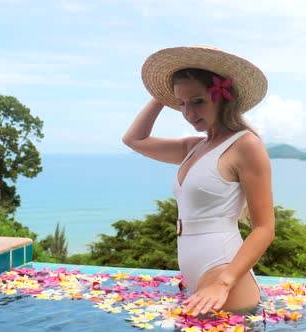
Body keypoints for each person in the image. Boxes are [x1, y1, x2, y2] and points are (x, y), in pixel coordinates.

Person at [122, 46, 275, 316]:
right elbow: (134, 140)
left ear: (224, 98)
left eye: (198, 101)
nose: (188, 113)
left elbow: (264, 228)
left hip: (223, 268)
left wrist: (224, 281)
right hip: (194, 268)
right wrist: (162, 95)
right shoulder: (194, 147)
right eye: (181, 104)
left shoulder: (246, 145)